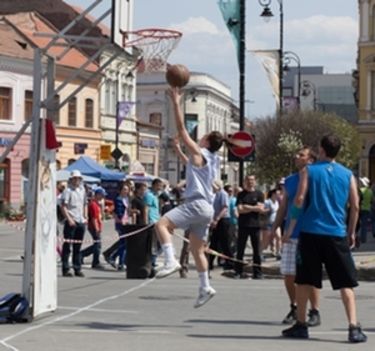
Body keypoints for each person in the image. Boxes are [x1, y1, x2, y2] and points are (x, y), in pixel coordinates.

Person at [282, 135, 367, 343]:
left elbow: (300, 199)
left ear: (321, 150)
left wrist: (290, 228)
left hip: (311, 231)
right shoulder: (348, 175)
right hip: (336, 233)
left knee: (305, 280)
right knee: (346, 282)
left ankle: (301, 324)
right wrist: (351, 231)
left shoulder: (309, 171)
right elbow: (355, 206)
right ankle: (353, 326)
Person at [154, 87, 227, 308]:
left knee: (162, 224)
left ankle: (170, 260)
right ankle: (205, 287)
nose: (200, 137)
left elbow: (182, 129)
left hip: (196, 203)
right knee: (197, 249)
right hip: (206, 209)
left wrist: (176, 102)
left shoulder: (202, 152)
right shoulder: (211, 159)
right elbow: (191, 162)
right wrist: (177, 149)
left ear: (205, 141)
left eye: (203, 136)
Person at [271, 146, 321, 326]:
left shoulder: (316, 179)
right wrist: (274, 228)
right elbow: (284, 206)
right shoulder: (290, 181)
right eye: (297, 154)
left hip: (310, 231)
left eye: (301, 155)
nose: (296, 156)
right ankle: (294, 306)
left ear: (310, 160)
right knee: (288, 273)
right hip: (290, 234)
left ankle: (314, 310)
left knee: (310, 274)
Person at [235, 175, 264, 279]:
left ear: (255, 181)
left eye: (252, 180)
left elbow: (261, 209)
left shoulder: (259, 194)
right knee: (240, 249)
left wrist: (247, 207)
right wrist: (253, 207)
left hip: (255, 225)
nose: (250, 182)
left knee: (256, 250)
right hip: (243, 225)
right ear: (245, 181)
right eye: (248, 180)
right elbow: (239, 209)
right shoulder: (241, 194)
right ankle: (238, 271)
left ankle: (258, 272)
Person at [60, 170, 87, 277]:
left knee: (78, 246)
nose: (77, 180)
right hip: (71, 220)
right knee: (67, 246)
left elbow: (85, 203)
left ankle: (77, 268)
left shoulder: (82, 190)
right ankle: (66, 269)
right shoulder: (67, 191)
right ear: (71, 179)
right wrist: (69, 219)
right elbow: (63, 206)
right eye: (75, 178)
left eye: (78, 178)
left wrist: (85, 216)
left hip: (80, 220)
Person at [208, 179, 233, 271]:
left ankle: (230, 262)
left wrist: (217, 219)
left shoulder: (223, 194)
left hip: (223, 220)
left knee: (225, 243)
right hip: (216, 220)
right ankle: (209, 263)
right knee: (213, 243)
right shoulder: (216, 195)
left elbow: (225, 208)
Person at [80, 187, 106, 269]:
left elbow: (100, 216)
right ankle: (95, 262)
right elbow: (94, 218)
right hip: (94, 226)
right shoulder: (93, 204)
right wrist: (97, 228)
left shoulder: (96, 204)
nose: (103, 197)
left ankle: (82, 254)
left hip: (96, 225)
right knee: (97, 245)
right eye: (102, 195)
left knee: (97, 244)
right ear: (97, 195)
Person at [358, 177, 372, 244]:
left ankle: (358, 237)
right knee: (364, 224)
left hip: (360, 208)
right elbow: (372, 201)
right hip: (367, 209)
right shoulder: (370, 191)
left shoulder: (361, 190)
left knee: (357, 224)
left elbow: (358, 199)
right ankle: (363, 238)